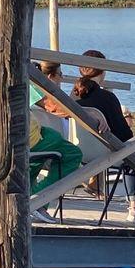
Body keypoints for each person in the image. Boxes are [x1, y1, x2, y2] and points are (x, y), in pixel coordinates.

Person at [72, 48, 135, 226]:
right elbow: (125, 134)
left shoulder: (74, 96)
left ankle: (134, 207)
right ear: (103, 71)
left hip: (87, 152)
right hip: (112, 151)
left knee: (129, 154)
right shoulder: (107, 97)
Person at [28, 83, 82, 222]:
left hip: (24, 137)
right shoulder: (22, 78)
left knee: (31, 165)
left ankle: (27, 200)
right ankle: (37, 199)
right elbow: (54, 107)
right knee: (72, 155)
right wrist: (88, 114)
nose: (62, 77)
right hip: (31, 139)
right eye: (60, 74)